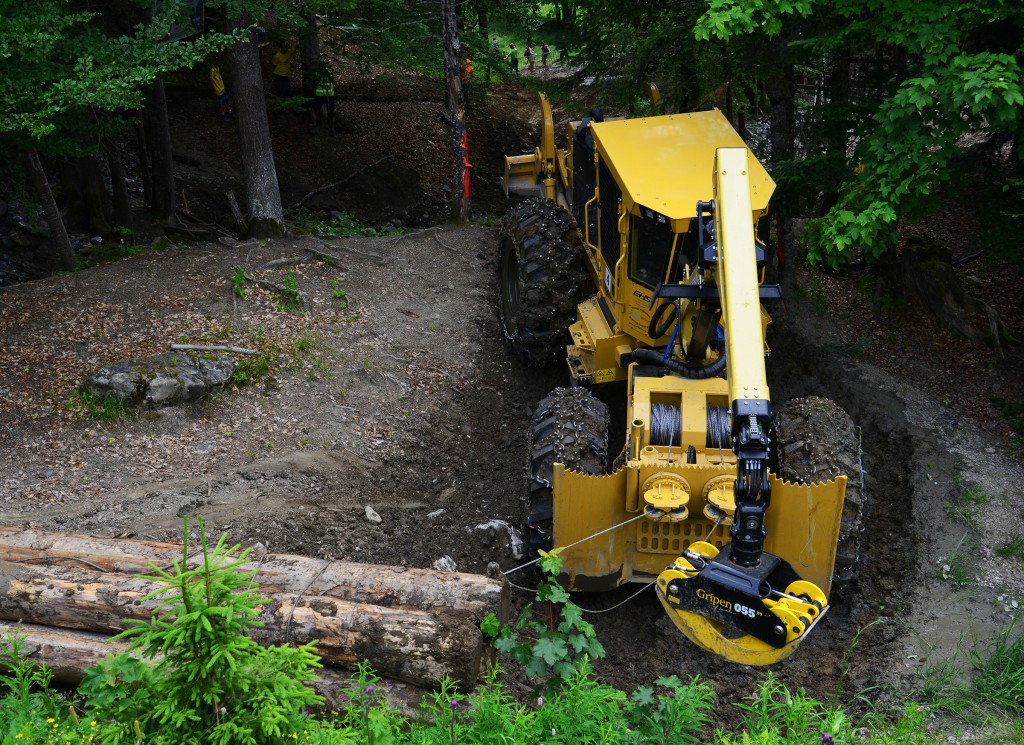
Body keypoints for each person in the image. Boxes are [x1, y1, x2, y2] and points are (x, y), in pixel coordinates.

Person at [308, 63, 336, 133]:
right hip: (320, 96)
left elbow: (334, 82)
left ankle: (332, 129)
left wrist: (328, 77)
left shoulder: (329, 74)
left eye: (323, 67)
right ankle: (314, 126)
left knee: (331, 112)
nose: (322, 69)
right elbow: (314, 83)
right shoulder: (317, 74)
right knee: (311, 108)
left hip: (329, 95)